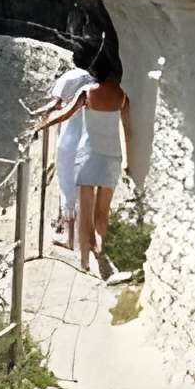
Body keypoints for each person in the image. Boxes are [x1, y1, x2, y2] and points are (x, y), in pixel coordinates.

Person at [39, 44, 132, 274]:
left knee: (85, 212)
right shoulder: (122, 95)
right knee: (102, 212)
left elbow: (64, 113)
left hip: (88, 154)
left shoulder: (87, 93)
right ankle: (99, 248)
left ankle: (84, 262)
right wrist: (128, 161)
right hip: (112, 156)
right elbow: (127, 130)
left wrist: (42, 124)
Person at [35, 44, 97, 247]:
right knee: (84, 187)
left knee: (67, 185)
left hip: (69, 136)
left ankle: (70, 240)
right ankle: (85, 239)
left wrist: (39, 120)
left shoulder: (68, 78)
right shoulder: (95, 81)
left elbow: (56, 106)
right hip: (90, 136)